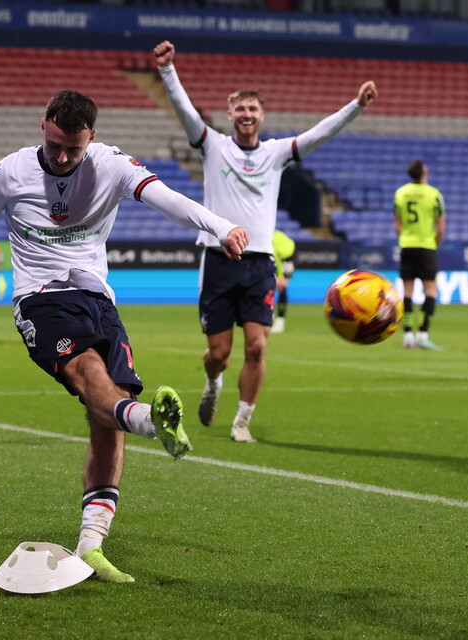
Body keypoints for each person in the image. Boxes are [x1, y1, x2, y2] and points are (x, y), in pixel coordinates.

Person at [0, 90, 249, 583]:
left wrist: (221, 225)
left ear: (92, 140)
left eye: (73, 150)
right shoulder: (9, 173)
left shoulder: (111, 164)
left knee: (107, 410)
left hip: (99, 300)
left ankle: (91, 547)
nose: (62, 158)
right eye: (56, 145)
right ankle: (150, 422)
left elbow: (169, 199)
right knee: (89, 374)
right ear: (43, 126)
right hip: (40, 298)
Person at [153, 39, 377, 443]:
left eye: (253, 109)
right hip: (218, 259)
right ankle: (213, 383)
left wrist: (356, 106)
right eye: (239, 109)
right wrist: (168, 70)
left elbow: (318, 134)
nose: (246, 114)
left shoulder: (276, 153)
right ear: (230, 114)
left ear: (261, 115)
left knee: (256, 347)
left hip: (259, 263)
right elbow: (185, 112)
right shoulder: (213, 146)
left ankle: (242, 421)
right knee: (219, 353)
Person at [394, 159, 445, 350]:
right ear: (424, 171)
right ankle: (423, 334)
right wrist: (435, 244)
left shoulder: (401, 193)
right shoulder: (434, 194)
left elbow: (397, 225)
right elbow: (440, 227)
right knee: (430, 290)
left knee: (407, 291)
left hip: (406, 245)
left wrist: (405, 239)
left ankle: (408, 336)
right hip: (426, 246)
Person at [270, 229, 296, 334]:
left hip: (285, 259)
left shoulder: (278, 239)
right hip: (269, 262)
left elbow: (288, 256)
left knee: (281, 287)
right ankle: (268, 317)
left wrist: (285, 276)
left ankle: (280, 321)